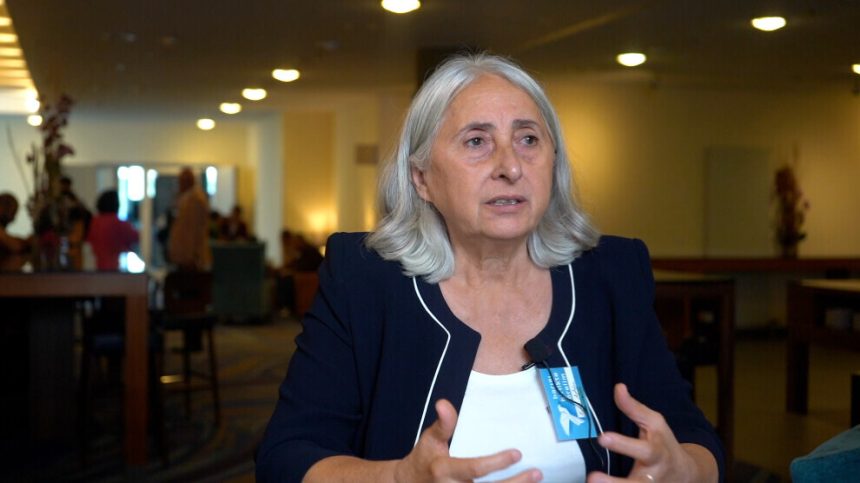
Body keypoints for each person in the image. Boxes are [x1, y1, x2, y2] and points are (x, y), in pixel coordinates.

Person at [256, 53, 723, 483]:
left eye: (528, 139)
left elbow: (694, 440)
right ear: (422, 178)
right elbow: (286, 456)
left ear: (553, 161)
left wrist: (682, 470)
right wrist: (396, 478)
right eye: (477, 141)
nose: (510, 167)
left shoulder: (610, 277)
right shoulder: (365, 283)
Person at [168, 167, 211, 270]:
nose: (179, 185)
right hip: (184, 255)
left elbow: (194, 230)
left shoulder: (195, 200)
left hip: (190, 258)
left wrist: (191, 255)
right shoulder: (186, 198)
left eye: (181, 181)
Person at [86, 189, 139, 271]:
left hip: (96, 267)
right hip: (115, 267)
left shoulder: (94, 222)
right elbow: (136, 238)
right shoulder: (118, 223)